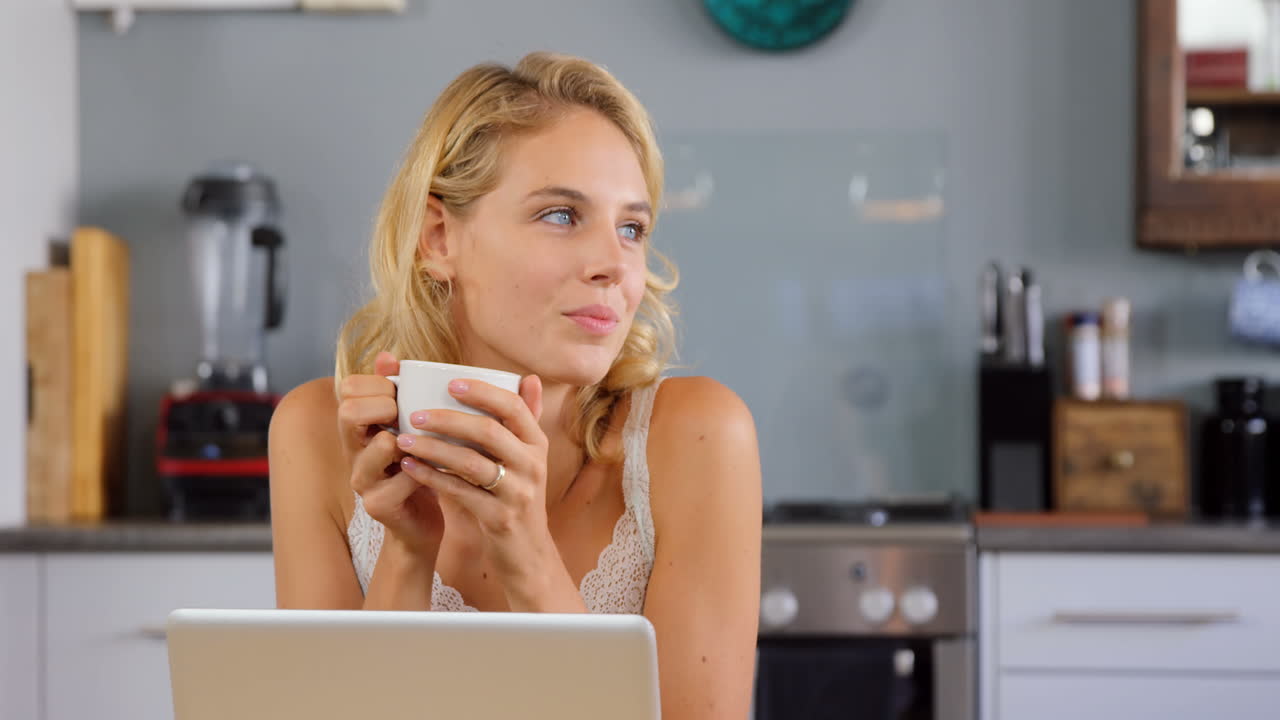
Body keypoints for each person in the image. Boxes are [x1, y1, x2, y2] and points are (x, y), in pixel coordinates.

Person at [267, 52, 762, 718]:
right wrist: (407, 549)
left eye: (631, 228)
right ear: (439, 238)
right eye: (561, 215)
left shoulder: (699, 436)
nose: (614, 265)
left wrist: (526, 550)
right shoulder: (314, 433)